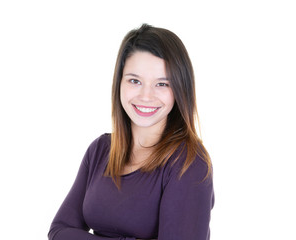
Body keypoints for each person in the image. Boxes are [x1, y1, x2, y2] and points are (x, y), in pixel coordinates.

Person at [48, 23, 214, 240]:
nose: (146, 96)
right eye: (135, 81)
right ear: (119, 83)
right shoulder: (100, 150)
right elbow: (59, 231)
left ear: (180, 90)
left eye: (162, 84)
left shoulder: (189, 163)